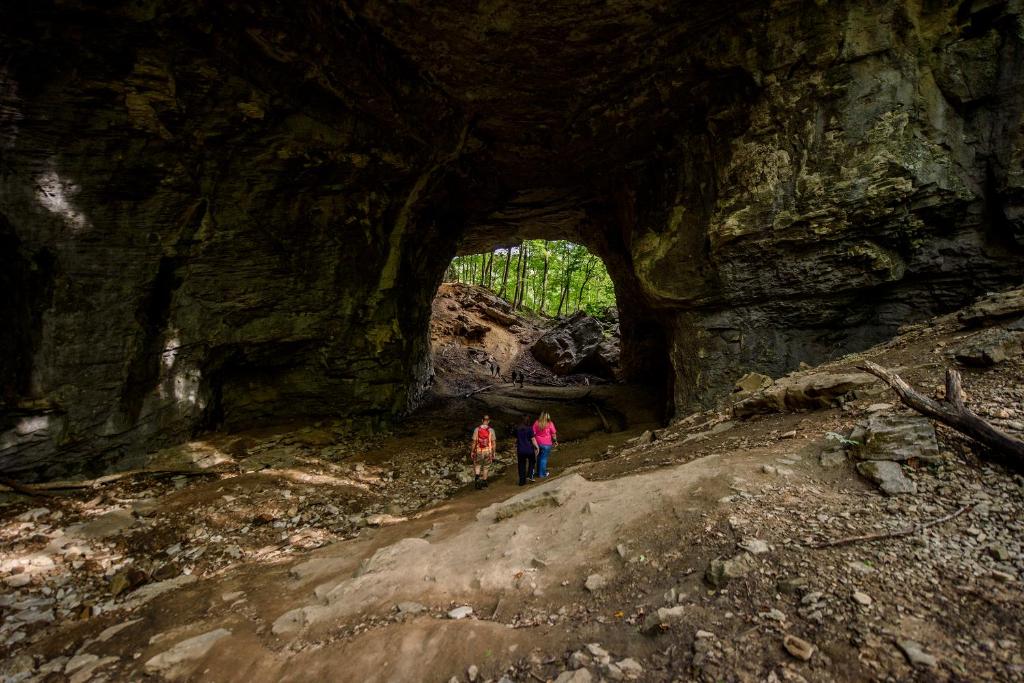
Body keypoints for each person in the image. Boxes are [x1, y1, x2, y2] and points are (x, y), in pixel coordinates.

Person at [511, 414, 539, 486]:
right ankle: (530, 475)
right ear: (528, 420)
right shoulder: (530, 428)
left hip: (520, 450)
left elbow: (516, 438)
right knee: (532, 462)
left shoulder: (517, 429)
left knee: (521, 465)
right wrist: (537, 447)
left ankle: (522, 481)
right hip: (529, 449)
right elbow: (533, 439)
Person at [470, 415, 496, 489]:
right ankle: (484, 482)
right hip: (488, 451)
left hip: (478, 451)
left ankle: (477, 480)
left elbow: (474, 442)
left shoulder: (477, 429)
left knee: (477, 465)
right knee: (486, 467)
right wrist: (493, 452)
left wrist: (472, 451)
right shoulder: (491, 430)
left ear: (482, 420)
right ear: (489, 421)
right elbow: (494, 443)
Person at [532, 412, 558, 478]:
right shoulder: (550, 423)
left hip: (538, 443)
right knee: (544, 459)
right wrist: (555, 441)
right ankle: (542, 474)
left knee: (539, 458)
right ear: (547, 417)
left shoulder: (536, 422)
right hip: (547, 443)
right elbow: (553, 434)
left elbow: (532, 433)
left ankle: (538, 472)